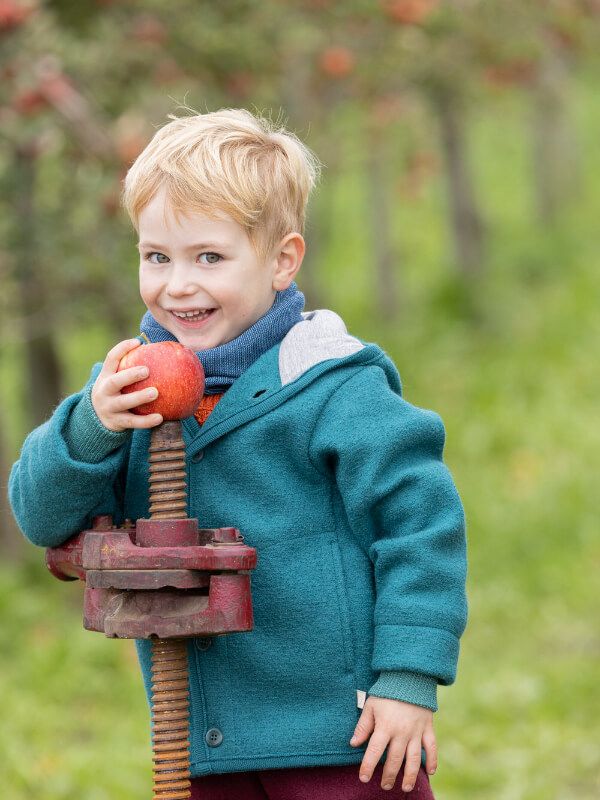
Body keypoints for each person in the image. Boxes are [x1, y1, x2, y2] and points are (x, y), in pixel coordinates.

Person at [9, 108, 467, 799]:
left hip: (344, 735)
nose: (178, 285)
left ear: (283, 259)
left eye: (209, 258)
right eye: (156, 256)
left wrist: (407, 678)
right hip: (199, 738)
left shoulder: (334, 388)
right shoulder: (129, 390)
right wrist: (92, 427)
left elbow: (420, 530)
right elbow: (41, 518)